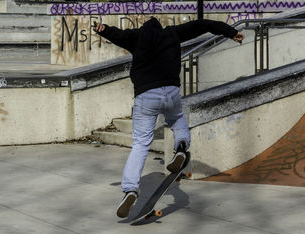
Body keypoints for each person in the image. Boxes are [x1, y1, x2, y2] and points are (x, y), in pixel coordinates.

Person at [93, 17, 244, 218]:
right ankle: (181, 147)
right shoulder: (172, 33)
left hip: (146, 94)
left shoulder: (136, 37)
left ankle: (130, 189)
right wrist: (231, 32)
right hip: (171, 91)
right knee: (177, 119)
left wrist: (103, 29)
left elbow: (116, 35)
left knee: (140, 143)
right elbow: (203, 24)